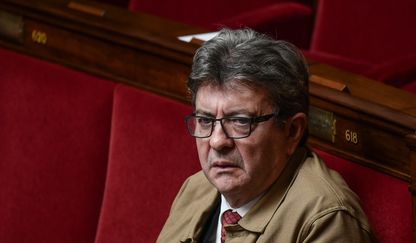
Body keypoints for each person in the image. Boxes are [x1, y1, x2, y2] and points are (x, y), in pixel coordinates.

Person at [157, 28, 374, 242]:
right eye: (205, 120)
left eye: (240, 121)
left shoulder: (325, 221)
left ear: (292, 131)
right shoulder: (196, 188)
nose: (217, 141)